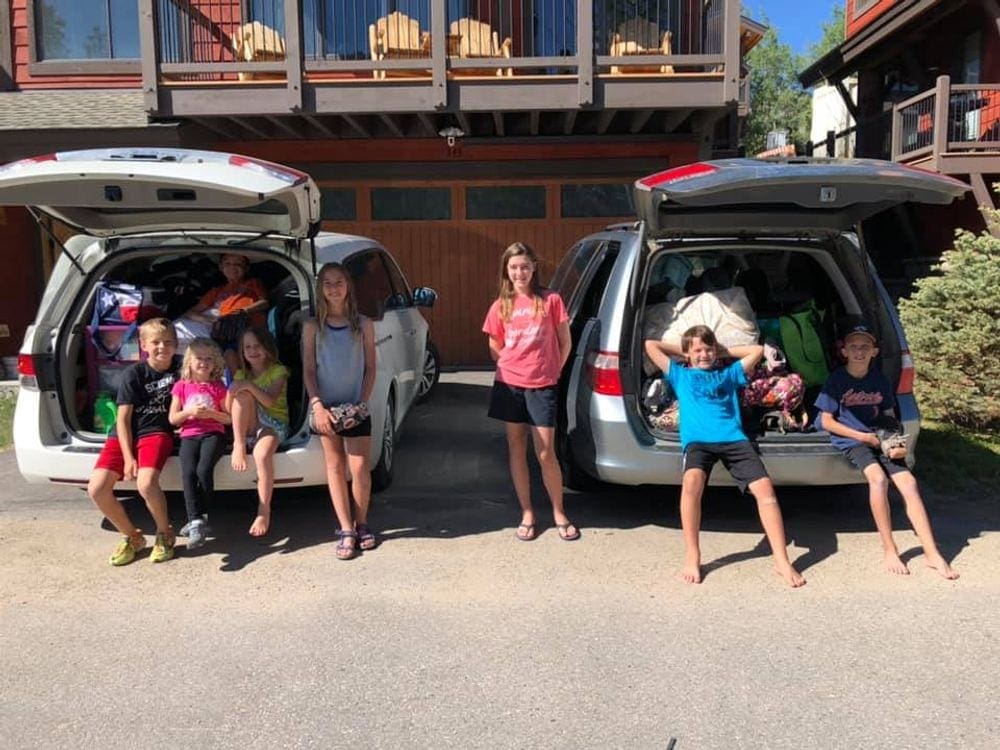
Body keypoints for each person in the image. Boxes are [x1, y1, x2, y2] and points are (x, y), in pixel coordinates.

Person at [645, 325, 805, 587]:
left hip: (733, 439)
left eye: (708, 349)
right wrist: (688, 352)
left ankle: (782, 560)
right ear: (687, 354)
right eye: (698, 350)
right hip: (698, 442)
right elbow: (651, 345)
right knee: (691, 484)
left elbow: (756, 350)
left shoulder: (729, 374)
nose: (704, 354)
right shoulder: (680, 375)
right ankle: (692, 554)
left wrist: (719, 352)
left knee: (765, 491)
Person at [815, 320, 958, 579]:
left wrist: (895, 441)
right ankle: (890, 549)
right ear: (844, 351)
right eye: (854, 346)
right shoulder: (836, 380)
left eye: (865, 347)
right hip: (852, 439)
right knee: (878, 480)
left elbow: (889, 413)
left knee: (909, 484)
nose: (859, 351)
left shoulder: (879, 379)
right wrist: (862, 436)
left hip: (881, 437)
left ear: (874, 352)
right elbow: (826, 420)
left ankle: (931, 552)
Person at [482, 242, 578, 542]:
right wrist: (508, 363)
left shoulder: (550, 300)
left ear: (534, 267)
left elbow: (566, 341)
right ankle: (527, 512)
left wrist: (554, 371)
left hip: (542, 385)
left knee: (546, 451)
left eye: (524, 266)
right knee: (516, 448)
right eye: (513, 268)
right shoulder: (501, 305)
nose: (519, 272)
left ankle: (559, 511)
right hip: (510, 385)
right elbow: (494, 343)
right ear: (506, 272)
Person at [87, 318, 181, 565]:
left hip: (156, 432)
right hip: (124, 435)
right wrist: (129, 458)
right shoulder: (134, 374)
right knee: (96, 489)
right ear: (143, 345)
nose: (162, 347)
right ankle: (132, 536)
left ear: (177, 344)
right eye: (156, 342)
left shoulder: (184, 368)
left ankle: (164, 533)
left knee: (147, 483)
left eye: (169, 342)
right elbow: (123, 419)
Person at [302, 262, 377, 560]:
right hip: (326, 408)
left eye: (339, 282)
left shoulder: (364, 324)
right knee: (334, 468)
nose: (334, 288)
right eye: (328, 283)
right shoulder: (312, 327)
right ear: (321, 289)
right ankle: (345, 529)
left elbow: (371, 367)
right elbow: (309, 370)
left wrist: (362, 401)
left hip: (355, 405)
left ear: (348, 286)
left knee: (359, 468)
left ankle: (362, 523)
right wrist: (317, 404)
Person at [168, 337, 231, 550]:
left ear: (215, 364)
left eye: (208, 359)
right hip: (189, 434)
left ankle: (200, 517)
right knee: (187, 473)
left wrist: (211, 413)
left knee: (203, 470)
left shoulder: (218, 386)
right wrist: (189, 412)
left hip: (213, 433)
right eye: (198, 358)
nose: (203, 363)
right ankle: (195, 520)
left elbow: (229, 418)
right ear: (189, 362)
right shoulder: (181, 386)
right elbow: (173, 419)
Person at [227, 326, 289, 537]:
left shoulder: (278, 371)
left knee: (262, 455)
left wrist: (248, 386)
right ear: (242, 352)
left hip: (274, 423)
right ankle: (239, 444)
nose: (253, 351)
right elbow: (229, 407)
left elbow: (270, 400)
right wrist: (236, 387)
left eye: (257, 346)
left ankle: (263, 510)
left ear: (268, 348)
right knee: (242, 396)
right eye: (247, 347)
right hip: (250, 424)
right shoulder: (242, 373)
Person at [174, 253, 268, 374]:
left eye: (238, 264)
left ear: (246, 268)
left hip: (246, 329)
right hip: (222, 330)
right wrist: (209, 321)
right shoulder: (216, 291)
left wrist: (244, 311)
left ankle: (238, 386)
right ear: (221, 267)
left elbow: (264, 303)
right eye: (227, 264)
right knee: (176, 328)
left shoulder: (253, 283)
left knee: (231, 354)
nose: (232, 267)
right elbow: (191, 312)